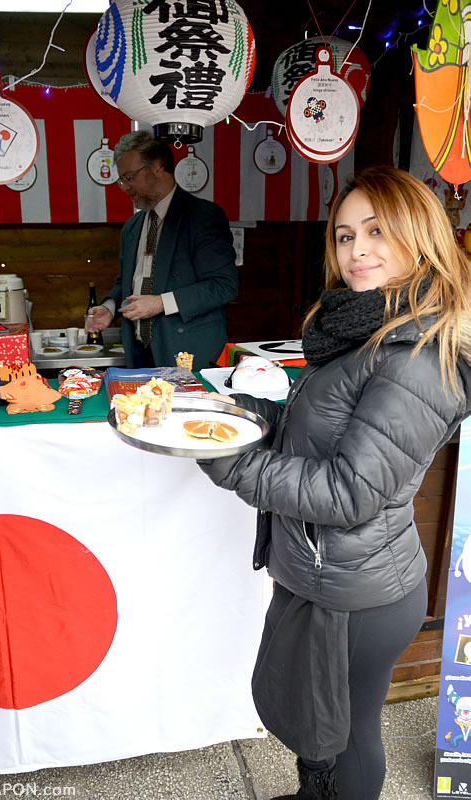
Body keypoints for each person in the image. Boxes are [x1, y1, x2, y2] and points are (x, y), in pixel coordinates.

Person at [198, 166, 471, 800]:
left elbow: (351, 493)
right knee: (317, 718)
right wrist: (245, 417)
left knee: (348, 732)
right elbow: (321, 431)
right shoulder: (365, 328)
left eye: (377, 231)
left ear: (419, 236)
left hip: (359, 593)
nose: (357, 251)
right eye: (345, 236)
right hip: (328, 572)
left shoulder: (416, 356)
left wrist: (231, 462)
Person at [85, 130, 238, 370]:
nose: (125, 187)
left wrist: (161, 303)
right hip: (139, 354)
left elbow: (224, 286)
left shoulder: (202, 217)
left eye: (129, 177)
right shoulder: (133, 227)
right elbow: (127, 283)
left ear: (158, 168)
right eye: (121, 180)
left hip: (187, 354)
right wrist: (110, 308)